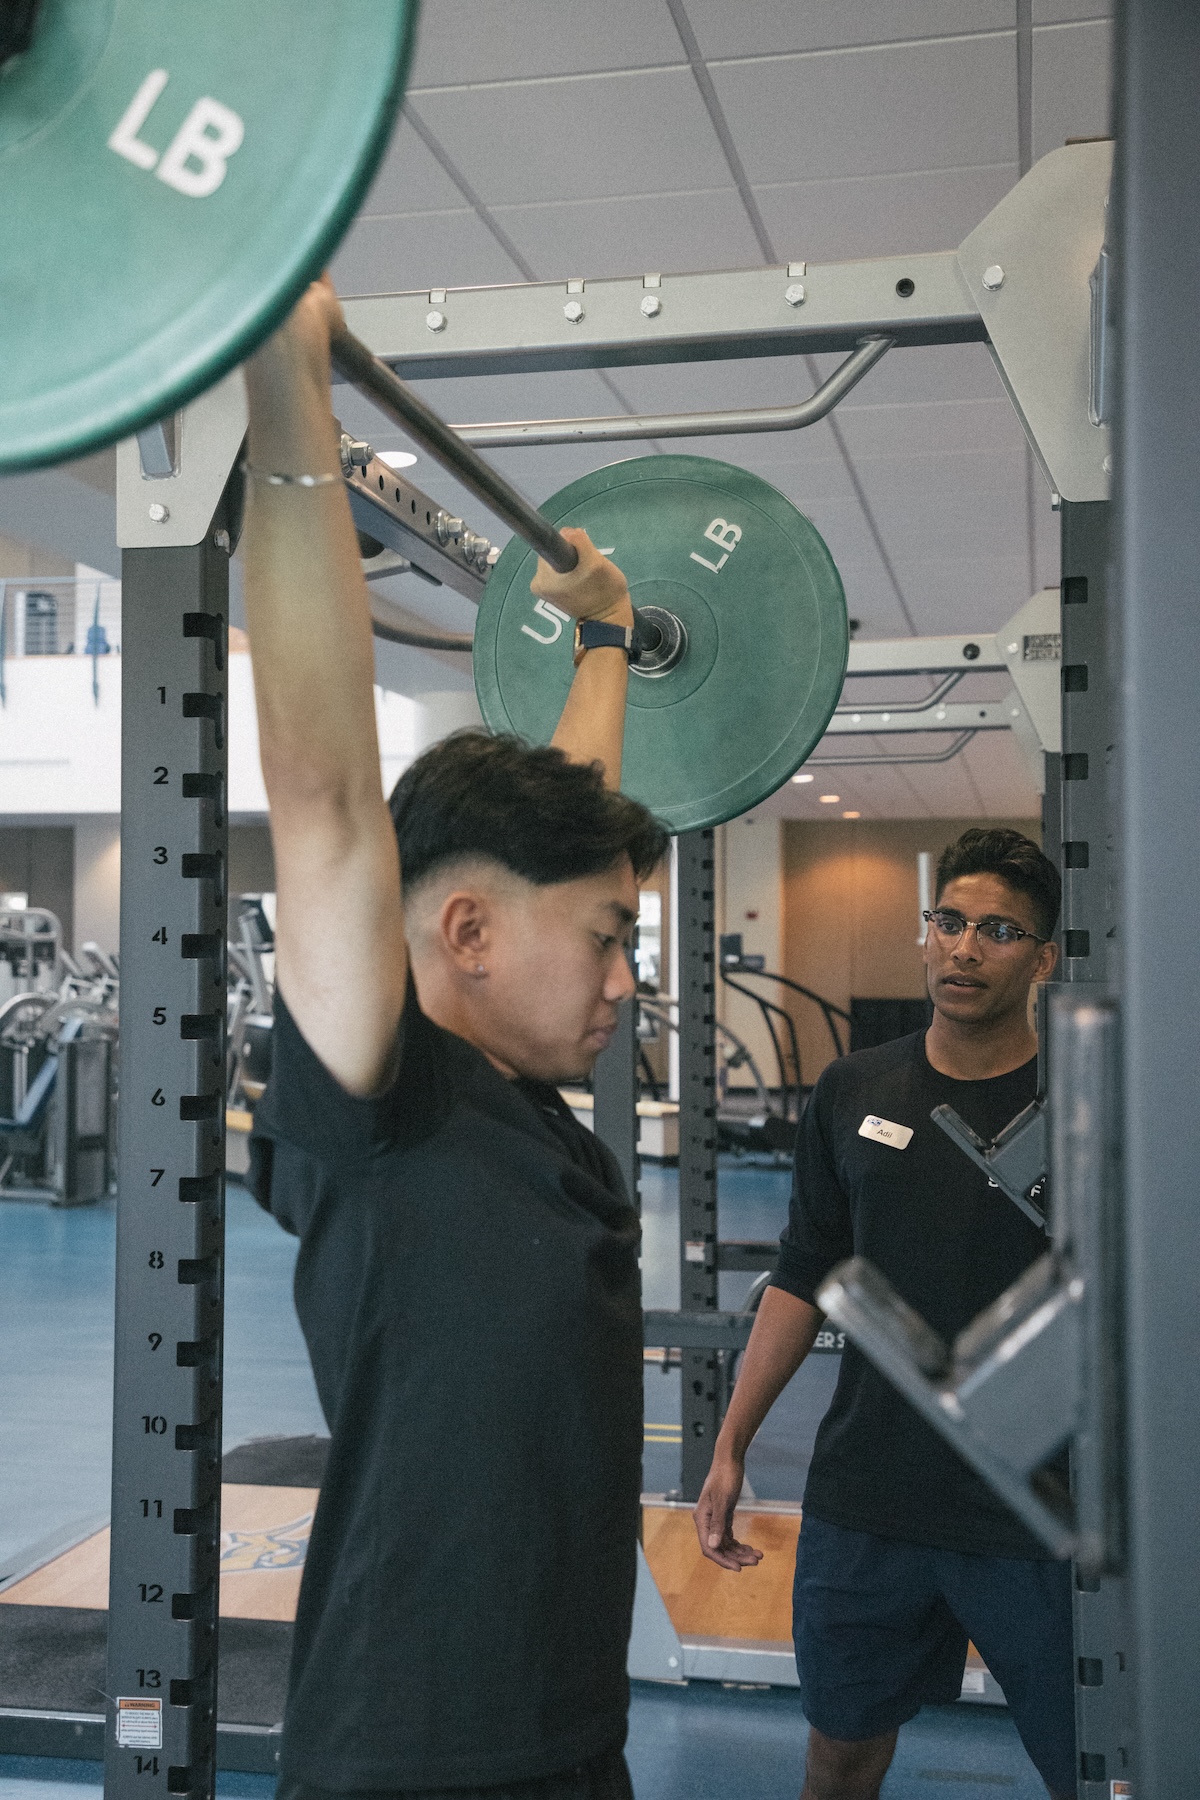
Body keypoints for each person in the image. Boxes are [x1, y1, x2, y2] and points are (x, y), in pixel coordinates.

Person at [241, 277, 668, 1800]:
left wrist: (604, 643)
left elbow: (556, 858)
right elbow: (330, 797)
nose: (628, 982)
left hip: (569, 1734)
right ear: (467, 941)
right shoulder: (383, 1104)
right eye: (614, 945)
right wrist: (293, 407)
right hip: (414, 1757)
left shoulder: (521, 1098)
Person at [693, 828, 1073, 1800]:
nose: (963, 947)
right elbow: (803, 1267)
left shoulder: (1083, 1106)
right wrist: (734, 1439)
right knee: (840, 1757)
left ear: (1043, 955)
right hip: (871, 1498)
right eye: (948, 921)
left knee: (1094, 1767)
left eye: (996, 930)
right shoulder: (855, 1088)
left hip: (1040, 1508)